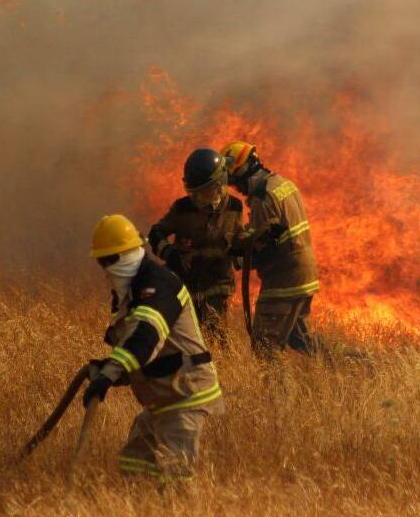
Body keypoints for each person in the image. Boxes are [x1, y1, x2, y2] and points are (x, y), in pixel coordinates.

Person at [84, 214, 223, 479]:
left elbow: (145, 339)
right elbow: (136, 351)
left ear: (126, 254)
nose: (104, 269)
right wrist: (106, 370)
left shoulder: (158, 285)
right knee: (135, 465)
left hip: (186, 394)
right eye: (100, 262)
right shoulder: (131, 291)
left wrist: (110, 374)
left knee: (174, 477)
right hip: (162, 397)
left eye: (108, 260)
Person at [222, 142, 319, 355]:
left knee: (265, 347)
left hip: (284, 281)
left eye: (236, 182)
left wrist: (237, 258)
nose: (236, 188)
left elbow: (268, 247)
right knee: (300, 339)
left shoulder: (263, 198)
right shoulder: (283, 184)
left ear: (244, 171)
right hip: (306, 274)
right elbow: (275, 229)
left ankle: (278, 389)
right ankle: (342, 365)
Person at [148, 148, 243, 343]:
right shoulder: (182, 208)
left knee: (217, 340)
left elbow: (239, 239)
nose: (197, 197)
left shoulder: (234, 207)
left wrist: (244, 249)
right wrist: (170, 254)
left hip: (218, 287)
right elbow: (155, 234)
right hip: (186, 288)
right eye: (194, 192)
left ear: (218, 185)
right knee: (185, 340)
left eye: (202, 192)